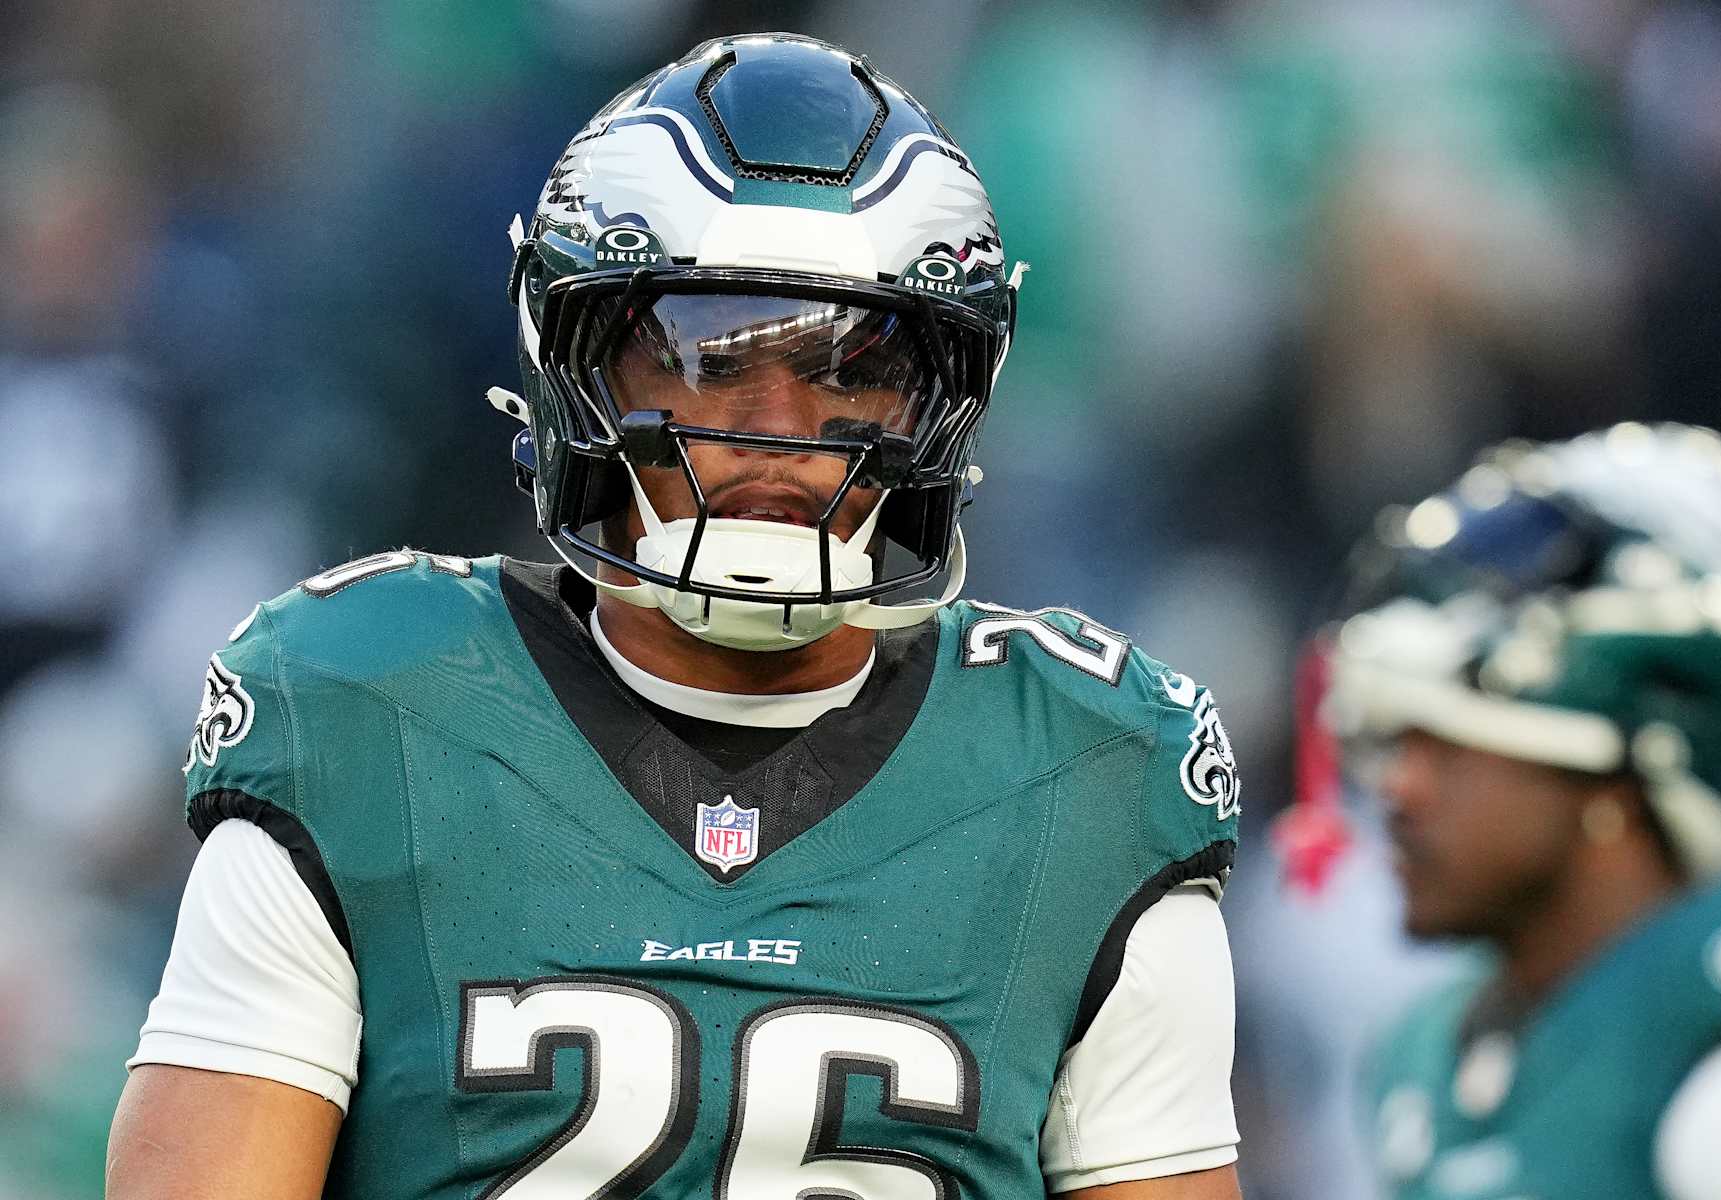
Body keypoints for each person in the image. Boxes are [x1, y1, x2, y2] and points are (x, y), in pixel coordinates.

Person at [105, 33, 1244, 1200]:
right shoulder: (369, 711)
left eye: (849, 370)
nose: (776, 433)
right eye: (706, 360)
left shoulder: (1088, 777)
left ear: (941, 404)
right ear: (580, 372)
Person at [1294, 422, 1721, 1199]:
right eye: (1396, 742)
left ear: (1623, 774)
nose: (1398, 787)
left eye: (1451, 741)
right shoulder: (1432, 1057)